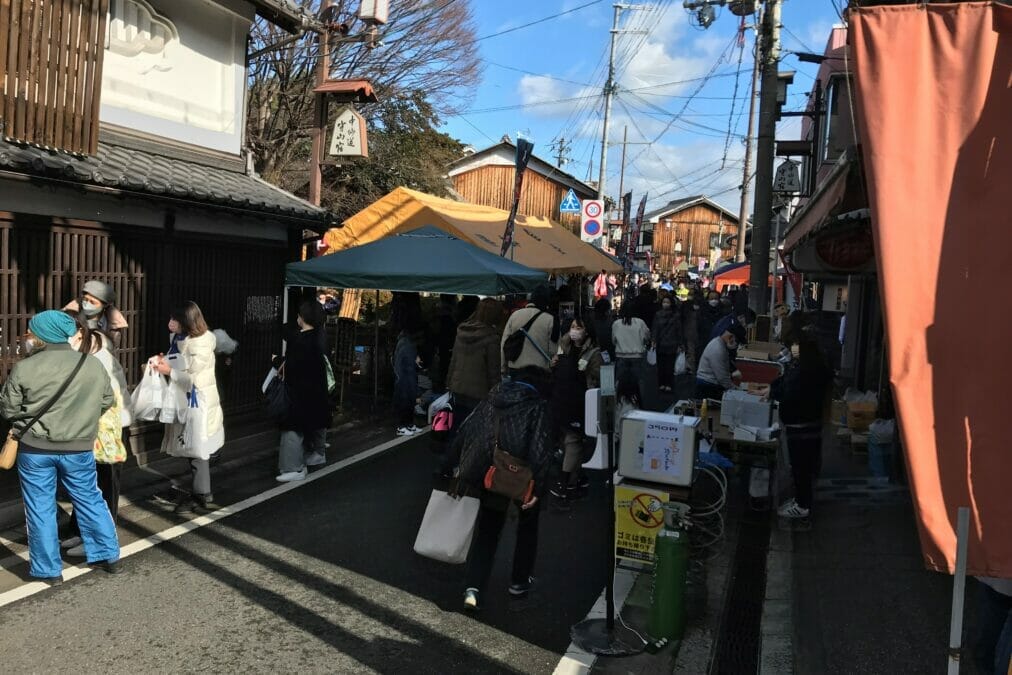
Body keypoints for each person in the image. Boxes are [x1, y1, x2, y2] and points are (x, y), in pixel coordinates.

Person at [0, 311, 120, 582]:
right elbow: (106, 400)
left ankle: (48, 570)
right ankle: (107, 555)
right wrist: (81, 420)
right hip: (79, 447)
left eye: (32, 332)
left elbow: (8, 409)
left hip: (35, 449)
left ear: (43, 335)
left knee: (40, 507)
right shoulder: (91, 364)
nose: (30, 336)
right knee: (89, 498)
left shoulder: (25, 367)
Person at [452, 366, 554, 610]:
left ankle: (473, 589)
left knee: (488, 530)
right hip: (522, 477)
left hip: (492, 473)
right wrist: (538, 489)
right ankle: (519, 582)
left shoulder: (493, 398)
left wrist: (452, 466)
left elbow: (467, 430)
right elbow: (540, 451)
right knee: (527, 528)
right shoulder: (537, 406)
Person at [61, 310, 132, 557]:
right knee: (86, 484)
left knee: (104, 486)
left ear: (80, 333)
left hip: (107, 429)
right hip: (93, 427)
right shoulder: (88, 349)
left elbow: (103, 398)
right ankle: (81, 531)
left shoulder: (97, 356)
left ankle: (100, 540)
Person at [154, 302, 225, 515]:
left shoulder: (199, 344)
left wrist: (169, 371)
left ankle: (202, 494)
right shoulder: (180, 339)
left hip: (198, 401)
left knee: (196, 447)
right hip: (186, 400)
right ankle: (202, 491)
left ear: (186, 321)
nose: (170, 323)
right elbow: (177, 363)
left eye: (174, 319)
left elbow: (194, 379)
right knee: (194, 446)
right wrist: (163, 362)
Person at [770, 336, 833, 519]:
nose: (793, 348)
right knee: (802, 466)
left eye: (796, 344)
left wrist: (774, 391)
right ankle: (800, 500)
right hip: (808, 425)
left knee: (800, 467)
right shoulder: (813, 368)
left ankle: (802, 505)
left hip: (802, 427)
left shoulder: (806, 372)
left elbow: (788, 392)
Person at [275, 301, 331, 482]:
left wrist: (276, 361)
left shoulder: (299, 341)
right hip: (318, 388)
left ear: (302, 319)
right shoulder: (321, 337)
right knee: (317, 419)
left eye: (299, 315)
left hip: (299, 391)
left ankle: (294, 468)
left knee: (292, 427)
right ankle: (318, 453)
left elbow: (292, 368)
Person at [550, 318, 602, 500]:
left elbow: (599, 377)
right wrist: (553, 364)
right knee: (570, 440)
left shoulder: (594, 353)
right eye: (572, 327)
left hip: (582, 401)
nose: (574, 331)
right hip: (563, 398)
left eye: (579, 327)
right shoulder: (563, 346)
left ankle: (567, 480)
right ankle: (573, 479)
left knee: (573, 440)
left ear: (587, 331)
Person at [446, 298, 506, 427]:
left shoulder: (462, 331)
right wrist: (497, 395)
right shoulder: (492, 338)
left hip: (457, 388)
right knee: (475, 430)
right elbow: (493, 372)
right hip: (479, 393)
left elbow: (454, 360)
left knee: (457, 426)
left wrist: (449, 383)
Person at [500, 285, 558, 376]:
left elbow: (504, 343)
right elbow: (552, 350)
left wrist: (503, 367)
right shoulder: (550, 319)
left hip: (516, 368)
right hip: (540, 370)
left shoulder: (515, 315)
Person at [63, 279, 129, 349]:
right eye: (85, 299)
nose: (87, 304)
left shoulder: (112, 324)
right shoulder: (68, 317)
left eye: (93, 302)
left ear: (105, 305)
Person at [696, 323, 746, 401]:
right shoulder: (718, 349)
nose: (737, 345)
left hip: (711, 385)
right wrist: (738, 390)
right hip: (708, 387)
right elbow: (722, 379)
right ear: (731, 337)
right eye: (737, 342)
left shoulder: (721, 344)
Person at [612, 302, 650, 401]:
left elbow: (613, 340)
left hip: (621, 356)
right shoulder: (640, 322)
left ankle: (620, 402)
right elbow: (647, 337)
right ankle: (638, 402)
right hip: (637, 356)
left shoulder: (616, 323)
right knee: (639, 381)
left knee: (620, 381)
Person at [393, 327, 422, 436]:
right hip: (405, 377)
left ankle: (408, 424)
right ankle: (402, 426)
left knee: (408, 402)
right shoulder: (407, 345)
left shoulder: (404, 342)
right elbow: (409, 366)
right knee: (406, 402)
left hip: (403, 377)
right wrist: (416, 362)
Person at [652, 296, 683, 393]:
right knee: (664, 365)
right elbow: (679, 331)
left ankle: (664, 384)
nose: (665, 304)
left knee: (666, 365)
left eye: (667, 302)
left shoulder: (659, 315)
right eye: (664, 302)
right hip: (669, 343)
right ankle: (666, 384)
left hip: (665, 343)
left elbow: (655, 329)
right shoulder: (675, 315)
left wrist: (654, 340)